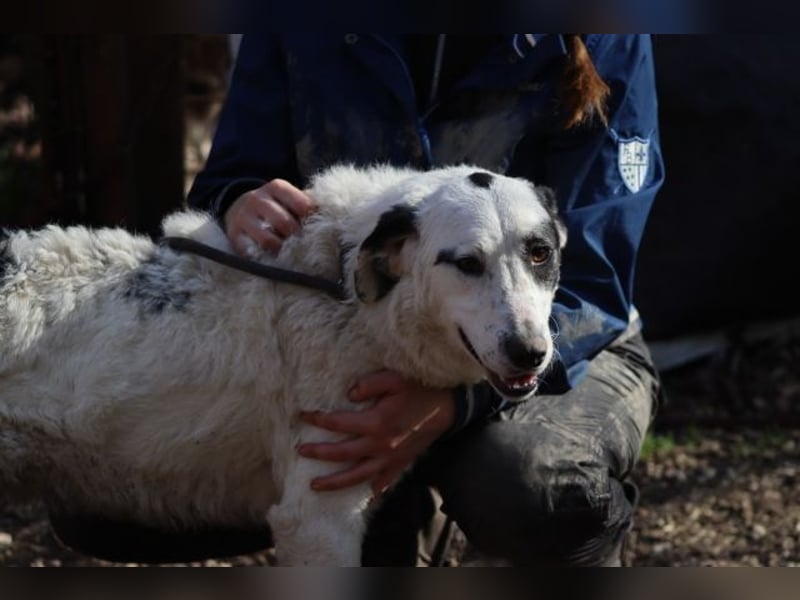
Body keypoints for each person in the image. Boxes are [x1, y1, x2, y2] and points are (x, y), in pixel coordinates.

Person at [186, 34, 664, 566]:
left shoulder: (604, 35)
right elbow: (230, 175)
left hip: (570, 340)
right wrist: (239, 200)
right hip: (358, 346)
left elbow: (597, 278)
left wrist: (453, 404)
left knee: (535, 485)